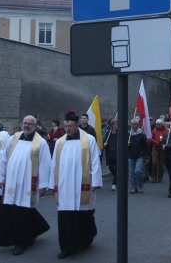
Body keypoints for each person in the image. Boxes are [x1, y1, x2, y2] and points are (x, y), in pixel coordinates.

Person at [0, 115, 51, 256]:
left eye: (30, 123)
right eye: (25, 123)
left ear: (35, 125)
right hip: (12, 180)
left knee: (24, 212)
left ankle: (21, 242)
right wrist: (0, 177)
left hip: (28, 183)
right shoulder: (13, 138)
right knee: (10, 210)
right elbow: (4, 159)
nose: (27, 125)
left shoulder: (41, 142)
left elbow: (45, 164)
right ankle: (30, 232)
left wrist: (43, 185)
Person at [50, 111, 103, 259]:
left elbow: (95, 162)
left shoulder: (89, 140)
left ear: (77, 124)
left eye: (70, 126)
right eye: (66, 126)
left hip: (82, 184)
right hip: (65, 185)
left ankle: (84, 240)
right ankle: (66, 246)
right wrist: (51, 184)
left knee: (82, 214)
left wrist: (96, 181)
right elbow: (54, 163)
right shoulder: (60, 142)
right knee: (64, 216)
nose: (67, 129)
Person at [128, 117, 149, 193]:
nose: (133, 126)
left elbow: (146, 145)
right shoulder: (129, 134)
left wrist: (144, 155)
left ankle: (140, 185)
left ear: (138, 125)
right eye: (132, 124)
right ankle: (134, 187)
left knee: (137, 171)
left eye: (134, 124)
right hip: (130, 155)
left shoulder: (142, 134)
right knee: (131, 173)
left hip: (139, 155)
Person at [148, 118, 167, 183]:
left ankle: (160, 177)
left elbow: (167, 138)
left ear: (162, 125)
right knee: (154, 162)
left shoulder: (166, 130)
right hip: (155, 147)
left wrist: (164, 141)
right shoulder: (154, 130)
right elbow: (150, 139)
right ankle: (154, 177)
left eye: (159, 124)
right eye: (157, 124)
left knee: (161, 163)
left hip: (162, 148)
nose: (158, 126)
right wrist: (155, 141)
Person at [103, 118, 119, 190]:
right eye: (116, 124)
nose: (117, 125)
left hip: (117, 153)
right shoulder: (108, 133)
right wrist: (105, 144)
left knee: (117, 168)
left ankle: (114, 183)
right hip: (110, 154)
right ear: (112, 125)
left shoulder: (120, 133)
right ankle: (117, 178)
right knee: (111, 168)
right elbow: (104, 141)